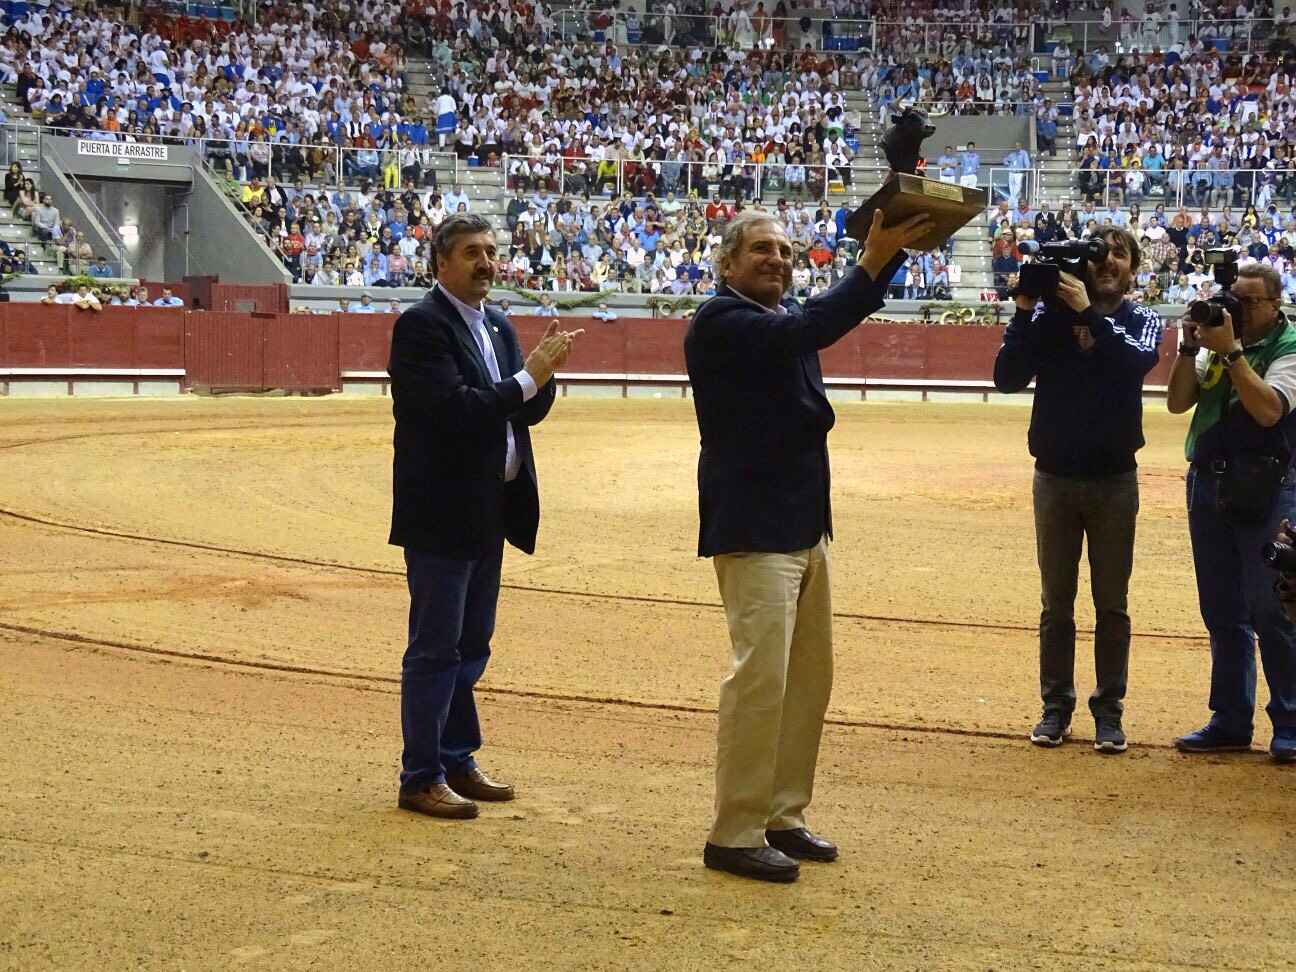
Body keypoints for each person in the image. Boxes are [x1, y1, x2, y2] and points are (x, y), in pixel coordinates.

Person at [684, 203, 932, 883]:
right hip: (755, 527)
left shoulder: (768, 322)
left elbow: (822, 319)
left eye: (787, 251)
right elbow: (818, 323)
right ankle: (733, 831)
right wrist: (873, 260)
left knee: (804, 684)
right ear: (727, 264)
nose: (778, 259)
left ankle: (782, 815)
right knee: (760, 681)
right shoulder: (721, 320)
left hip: (800, 523)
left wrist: (892, 252)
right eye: (762, 249)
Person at [387, 213, 583, 819]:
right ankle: (420, 774)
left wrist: (541, 379)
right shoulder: (421, 326)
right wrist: (531, 375)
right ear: (440, 263)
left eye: (492, 252)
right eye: (472, 252)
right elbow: (456, 410)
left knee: (471, 644)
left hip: (490, 509)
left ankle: (454, 757)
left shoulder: (496, 325)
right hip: (442, 512)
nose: (486, 262)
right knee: (435, 648)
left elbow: (519, 411)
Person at [993, 227, 1163, 753]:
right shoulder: (1049, 315)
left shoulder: (1141, 318)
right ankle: (1056, 708)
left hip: (1114, 480)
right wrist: (1024, 310)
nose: (1108, 262)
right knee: (1056, 604)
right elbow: (1007, 378)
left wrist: (1088, 312)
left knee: (1112, 603)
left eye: (1120, 255)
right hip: (1055, 478)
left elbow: (1132, 365)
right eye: (1099, 254)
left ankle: (1108, 712)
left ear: (1133, 268)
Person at [1165, 263, 1296, 762]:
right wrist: (1188, 347)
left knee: (1271, 607)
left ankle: (1289, 719)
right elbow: (1178, 403)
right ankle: (1230, 718)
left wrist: (1232, 353)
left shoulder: (1288, 346)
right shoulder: (1218, 343)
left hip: (1267, 487)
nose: (1238, 309)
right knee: (1221, 606)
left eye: (1250, 302)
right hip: (1208, 479)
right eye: (1233, 298)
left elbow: (1269, 410)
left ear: (1275, 305)